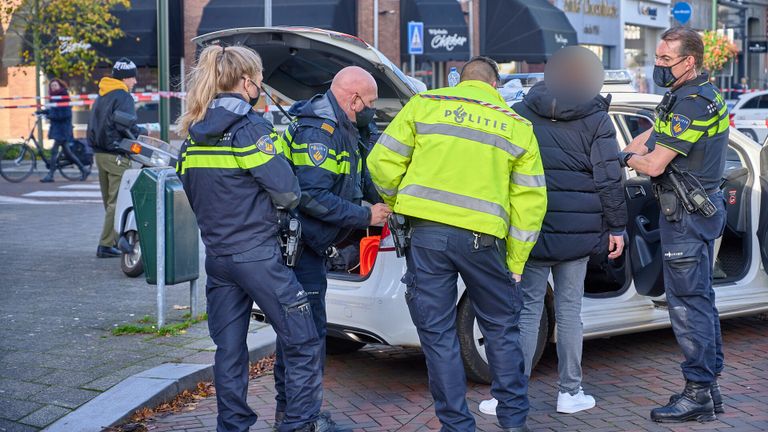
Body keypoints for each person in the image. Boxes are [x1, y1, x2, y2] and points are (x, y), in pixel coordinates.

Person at [367, 56, 547, 432]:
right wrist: (516, 263)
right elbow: (530, 203)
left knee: (438, 334)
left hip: (427, 236)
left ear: (459, 80)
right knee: (500, 329)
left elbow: (381, 161)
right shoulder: (517, 126)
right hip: (484, 241)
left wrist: (400, 203)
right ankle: (514, 423)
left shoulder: (425, 105)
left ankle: (456, 425)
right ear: (495, 86)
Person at [175, 45, 341, 432]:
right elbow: (288, 193)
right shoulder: (250, 128)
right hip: (258, 257)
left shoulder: (193, 134)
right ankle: (299, 425)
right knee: (302, 339)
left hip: (217, 258)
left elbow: (191, 188)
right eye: (260, 79)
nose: (262, 85)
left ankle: (232, 426)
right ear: (247, 82)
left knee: (229, 349)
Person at [478, 46, 628, 416]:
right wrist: (618, 226)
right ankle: (570, 392)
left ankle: (510, 395)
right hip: (578, 232)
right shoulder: (597, 118)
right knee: (570, 312)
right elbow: (610, 179)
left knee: (528, 312)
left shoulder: (521, 112)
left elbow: (503, 170)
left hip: (532, 229)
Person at [619, 27, 729, 423]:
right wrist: (638, 142)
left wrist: (624, 157)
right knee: (700, 300)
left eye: (666, 59)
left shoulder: (692, 102)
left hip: (685, 215)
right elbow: (658, 131)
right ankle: (709, 388)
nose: (658, 64)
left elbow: (654, 163)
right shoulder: (694, 93)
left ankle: (698, 391)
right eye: (658, 57)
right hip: (696, 212)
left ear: (690, 61)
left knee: (686, 306)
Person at [272, 66, 391, 426]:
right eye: (369, 103)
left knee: (299, 336)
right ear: (353, 99)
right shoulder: (320, 132)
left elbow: (357, 177)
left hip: (313, 247)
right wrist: (363, 216)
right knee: (306, 339)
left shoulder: (345, 127)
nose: (372, 109)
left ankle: (290, 415)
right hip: (303, 249)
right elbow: (311, 194)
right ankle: (300, 420)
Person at [87, 57, 146, 258]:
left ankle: (111, 240)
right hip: (116, 154)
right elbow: (125, 125)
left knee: (108, 201)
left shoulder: (102, 95)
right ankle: (106, 245)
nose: (135, 82)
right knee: (117, 201)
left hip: (100, 153)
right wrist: (140, 130)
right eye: (133, 78)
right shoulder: (122, 96)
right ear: (126, 78)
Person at [39, 79, 89, 182]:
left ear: (60, 86)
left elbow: (65, 114)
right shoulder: (54, 98)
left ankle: (50, 175)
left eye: (55, 85)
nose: (53, 87)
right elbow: (54, 110)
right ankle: (84, 169)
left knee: (54, 151)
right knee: (68, 153)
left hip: (63, 130)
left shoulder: (64, 97)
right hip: (58, 129)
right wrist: (42, 112)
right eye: (52, 86)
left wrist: (50, 116)